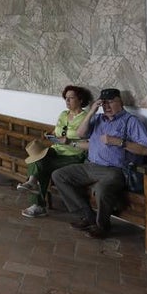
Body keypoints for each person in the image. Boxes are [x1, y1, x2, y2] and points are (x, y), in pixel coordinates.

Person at [51, 87, 147, 239]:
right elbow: (80, 134)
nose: (107, 106)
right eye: (104, 103)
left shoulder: (131, 122)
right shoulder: (98, 119)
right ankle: (87, 214)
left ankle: (102, 226)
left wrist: (119, 142)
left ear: (121, 102)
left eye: (111, 102)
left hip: (116, 170)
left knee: (101, 189)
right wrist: (92, 111)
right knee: (59, 175)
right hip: (91, 165)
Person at [19, 85, 92, 218]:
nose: (67, 101)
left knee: (42, 167)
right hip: (55, 150)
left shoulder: (86, 117)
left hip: (72, 155)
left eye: (71, 98)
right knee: (37, 157)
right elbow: (57, 130)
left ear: (80, 100)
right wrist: (51, 134)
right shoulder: (63, 114)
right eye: (66, 98)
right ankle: (32, 184)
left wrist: (69, 141)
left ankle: (36, 201)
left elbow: (89, 140)